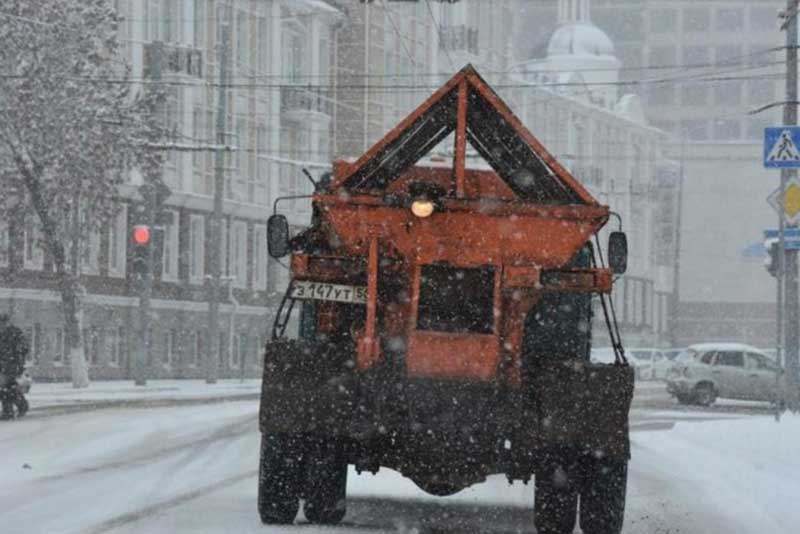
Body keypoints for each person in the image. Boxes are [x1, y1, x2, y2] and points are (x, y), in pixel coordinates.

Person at [0, 314, 29, 420]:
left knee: (6, 388)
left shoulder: (15, 333)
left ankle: (9, 411)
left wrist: (17, 359)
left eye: (3, 323)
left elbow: (24, 348)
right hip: (3, 365)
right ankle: (20, 406)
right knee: (7, 389)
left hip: (12, 366)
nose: (1, 325)